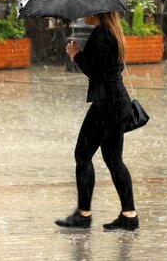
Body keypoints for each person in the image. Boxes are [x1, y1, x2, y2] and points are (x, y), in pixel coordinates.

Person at [55, 12, 139, 231]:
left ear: (97, 13)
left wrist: (76, 54)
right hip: (118, 102)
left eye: (87, 13)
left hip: (106, 104)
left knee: (82, 155)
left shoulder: (102, 35)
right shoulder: (113, 33)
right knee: (114, 159)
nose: (83, 16)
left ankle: (83, 214)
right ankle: (129, 215)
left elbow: (94, 71)